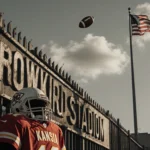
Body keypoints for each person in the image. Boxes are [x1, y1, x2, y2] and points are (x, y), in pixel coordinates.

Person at [0, 87, 66, 150]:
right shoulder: (56, 130)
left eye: (43, 105)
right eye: (35, 104)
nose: (41, 109)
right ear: (18, 105)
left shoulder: (17, 122)